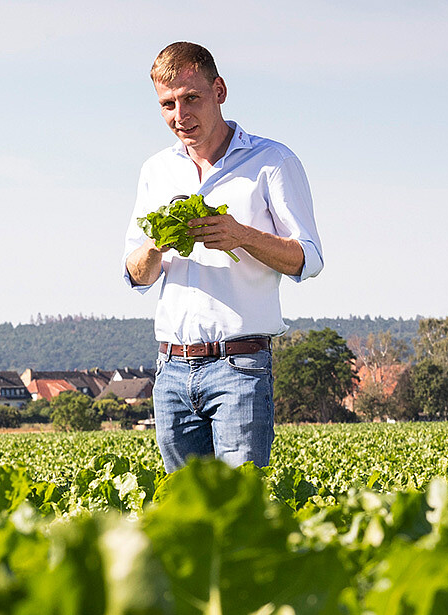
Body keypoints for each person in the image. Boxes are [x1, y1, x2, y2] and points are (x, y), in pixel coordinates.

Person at [123, 42, 324, 472]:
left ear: (219, 90)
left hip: (240, 367)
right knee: (186, 515)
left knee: (237, 513)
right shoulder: (155, 171)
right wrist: (157, 244)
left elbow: (307, 259)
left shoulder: (271, 161)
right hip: (171, 371)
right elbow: (135, 275)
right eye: (168, 104)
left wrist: (242, 236)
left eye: (191, 98)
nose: (180, 115)